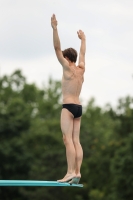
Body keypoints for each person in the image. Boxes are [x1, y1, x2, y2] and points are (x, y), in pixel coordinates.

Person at [51, 14, 86, 184]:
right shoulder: (81, 69)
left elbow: (57, 48)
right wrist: (83, 39)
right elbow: (83, 53)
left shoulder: (67, 66)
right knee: (76, 140)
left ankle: (71, 171)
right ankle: (78, 172)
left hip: (68, 106)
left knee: (67, 140)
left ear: (67, 58)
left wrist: (55, 28)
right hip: (79, 108)